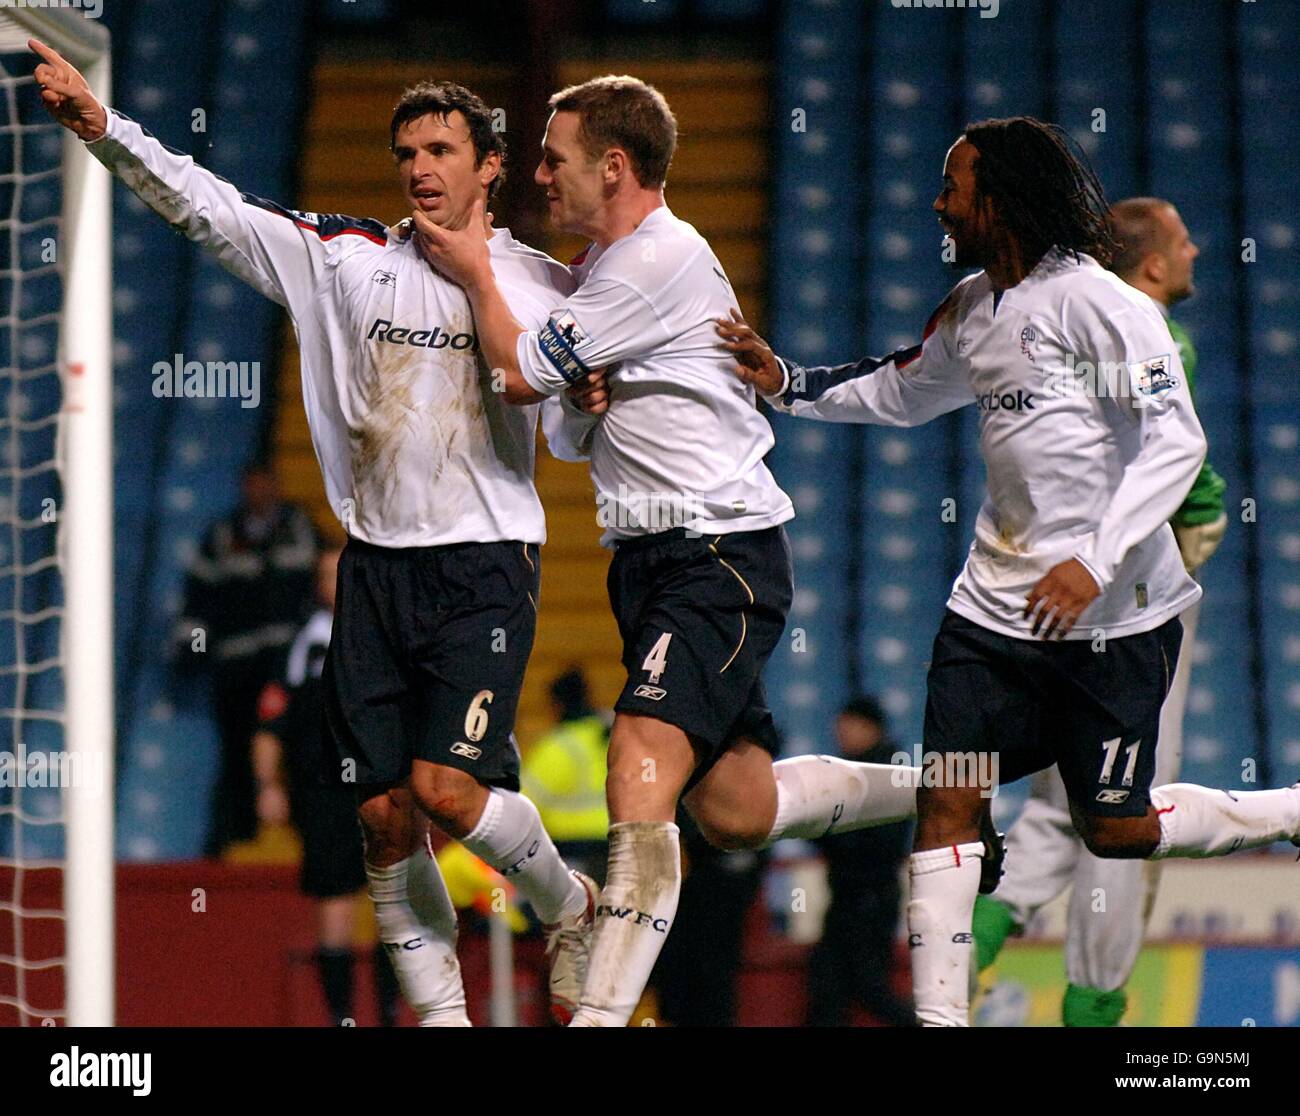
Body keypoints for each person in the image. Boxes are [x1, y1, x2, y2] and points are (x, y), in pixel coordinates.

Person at [31, 40, 604, 1025]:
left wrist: (590, 396)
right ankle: (442, 1018)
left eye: (439, 149)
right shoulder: (340, 256)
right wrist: (103, 126)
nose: (420, 168)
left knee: (448, 794)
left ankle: (573, 904)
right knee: (382, 817)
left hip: (483, 567)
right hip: (376, 569)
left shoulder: (545, 287)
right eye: (406, 153)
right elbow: (206, 206)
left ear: (489, 165)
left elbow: (578, 434)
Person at [716, 115, 1300, 1027]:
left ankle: (1289, 810)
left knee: (1115, 827)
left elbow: (1175, 442)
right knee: (951, 798)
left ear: (1001, 199)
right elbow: (904, 388)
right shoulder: (971, 307)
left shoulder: (1103, 303)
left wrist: (1092, 559)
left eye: (954, 186)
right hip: (991, 612)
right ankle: (941, 1019)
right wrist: (786, 381)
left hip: (1115, 619)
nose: (939, 202)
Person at [413, 74, 940, 1028]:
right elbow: (570, 436)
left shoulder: (659, 259)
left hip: (717, 556)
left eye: (554, 159)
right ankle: (945, 784)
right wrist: (585, 400)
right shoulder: (609, 276)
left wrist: (482, 275)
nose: (537, 177)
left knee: (637, 761)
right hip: (649, 564)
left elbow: (517, 372)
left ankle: (603, 1015)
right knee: (733, 808)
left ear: (614, 166)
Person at [970, 197, 1230, 1026]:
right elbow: (1178, 464)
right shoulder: (1157, 334)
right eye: (1184, 241)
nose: (1194, 251)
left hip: (1051, 589)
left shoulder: (1060, 327)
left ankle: (976, 930)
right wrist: (1203, 521)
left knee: (1061, 795)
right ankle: (1094, 1003)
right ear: (1151, 264)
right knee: (1131, 799)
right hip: (1134, 592)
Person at [252, 545, 401, 1027]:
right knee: (335, 902)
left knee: (393, 904)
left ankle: (389, 1014)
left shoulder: (390, 636)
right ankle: (342, 1018)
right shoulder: (302, 645)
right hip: (325, 792)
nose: (331, 582)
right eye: (324, 574)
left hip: (385, 785)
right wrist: (268, 785)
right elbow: (270, 725)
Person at [179, 461, 321, 856]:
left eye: (265, 484)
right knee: (238, 749)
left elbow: (324, 583)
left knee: (296, 746)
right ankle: (240, 834)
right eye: (251, 484)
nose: (259, 492)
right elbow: (198, 597)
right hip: (237, 667)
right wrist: (193, 650)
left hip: (289, 666)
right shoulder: (223, 534)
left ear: (276, 486)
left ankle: (301, 831)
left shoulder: (301, 527)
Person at [806, 698, 916, 1028]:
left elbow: (883, 843)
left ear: (871, 727)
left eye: (849, 725)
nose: (841, 733)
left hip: (870, 899)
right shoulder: (847, 771)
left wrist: (828, 830)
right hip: (846, 899)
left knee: (866, 987)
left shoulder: (888, 775)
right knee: (828, 990)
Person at [520, 668, 610, 884]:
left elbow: (524, 804)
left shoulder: (557, 746)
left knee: (576, 914)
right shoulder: (608, 735)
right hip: (615, 848)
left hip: (570, 851)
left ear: (556, 704)